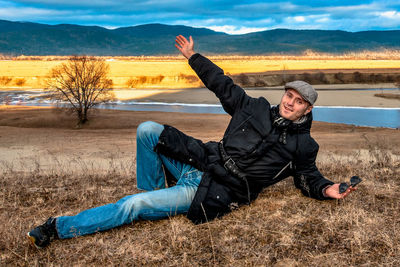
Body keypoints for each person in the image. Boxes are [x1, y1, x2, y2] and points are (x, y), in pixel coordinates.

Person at [27, 35, 357, 248]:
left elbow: (308, 177)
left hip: (217, 188)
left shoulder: (303, 146)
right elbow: (222, 85)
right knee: (148, 129)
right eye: (288, 95)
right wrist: (193, 56)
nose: (290, 102)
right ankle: (157, 190)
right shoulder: (253, 107)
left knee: (133, 206)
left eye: (298, 101)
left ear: (307, 109)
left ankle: (58, 228)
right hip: (199, 158)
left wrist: (327, 189)